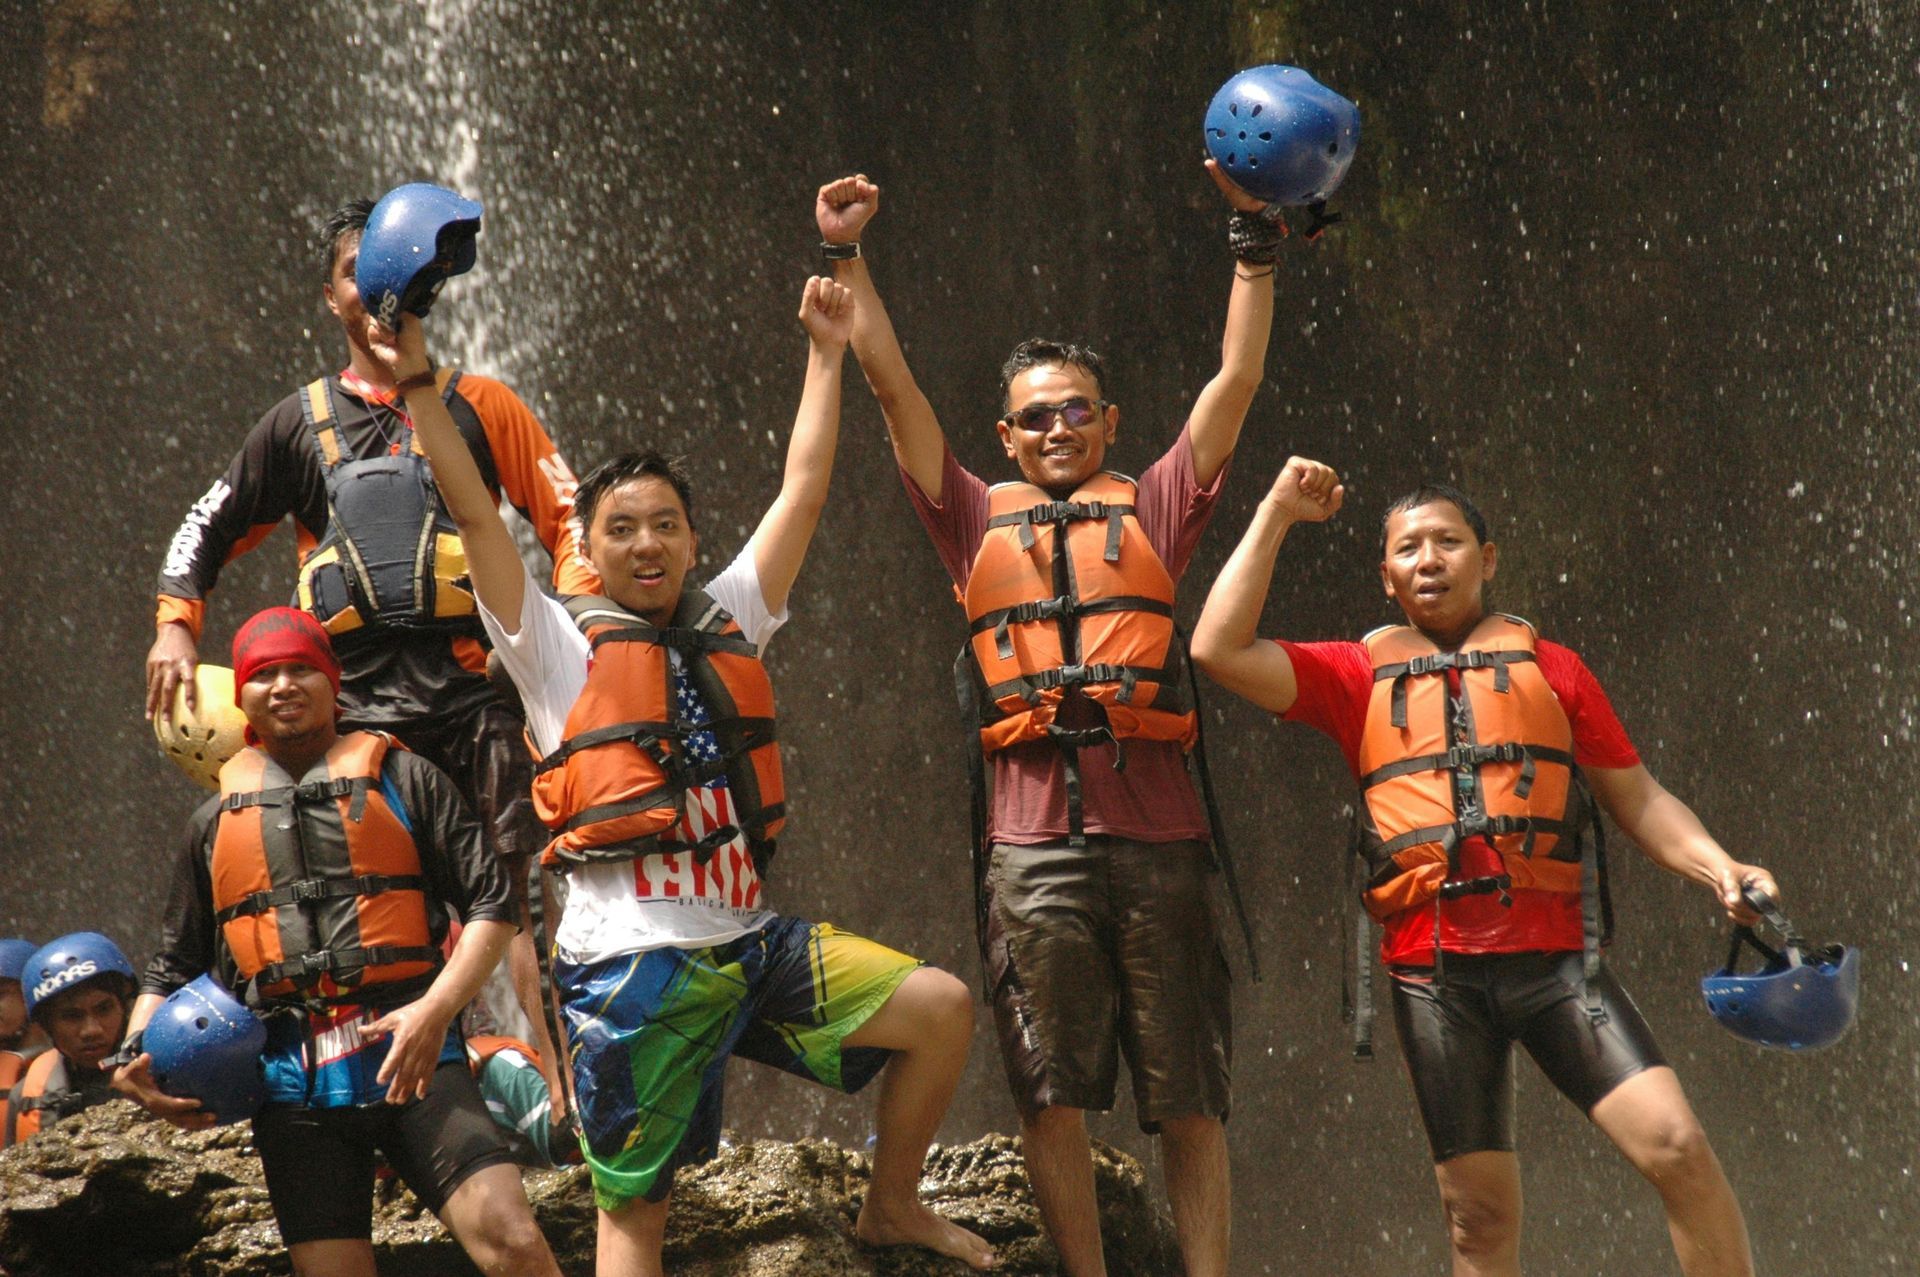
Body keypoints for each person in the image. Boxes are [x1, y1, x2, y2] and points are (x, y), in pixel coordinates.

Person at [373, 276, 997, 1277]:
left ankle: (892, 1204)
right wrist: (414, 378)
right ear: (588, 547)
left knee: (940, 1006)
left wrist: (826, 353)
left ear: (694, 539)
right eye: (621, 527)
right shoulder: (553, 645)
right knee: (638, 1223)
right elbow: (481, 519)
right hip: (633, 971)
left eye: (665, 523)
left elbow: (803, 487)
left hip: (749, 947)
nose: (647, 542)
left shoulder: (728, 618)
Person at [812, 166, 1286, 1276]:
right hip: (1032, 850)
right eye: (1036, 417)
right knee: (1050, 1090)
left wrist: (1253, 245)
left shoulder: (1157, 507)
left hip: (1163, 843)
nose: (1059, 428)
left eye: (1078, 410)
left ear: (1109, 422)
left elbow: (1237, 377)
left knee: (1191, 1095)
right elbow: (890, 389)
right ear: (1008, 437)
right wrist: (848, 254)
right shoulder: (973, 518)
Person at [1190, 459, 1770, 1277]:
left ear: (1488, 559)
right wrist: (1279, 513)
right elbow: (1215, 645)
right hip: (1434, 978)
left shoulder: (1556, 670)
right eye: (1409, 548)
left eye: (1450, 542)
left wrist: (1721, 866)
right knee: (1478, 1221)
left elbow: (1637, 797)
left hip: (1557, 960)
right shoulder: (1354, 677)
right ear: (1386, 578)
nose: (1430, 559)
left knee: (1677, 1146)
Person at [144, 197, 590, 1110]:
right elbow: (209, 521)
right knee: (387, 909)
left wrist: (588, 624)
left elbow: (568, 516)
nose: (375, 289)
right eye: (355, 273)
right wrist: (175, 620)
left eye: (390, 272)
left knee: (524, 891)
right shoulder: (295, 425)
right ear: (331, 296)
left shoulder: (481, 405)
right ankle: (413, 1096)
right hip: (363, 719)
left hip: (477, 692)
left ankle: (572, 1088)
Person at [114, 606, 562, 1277]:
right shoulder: (211, 823)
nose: (284, 685)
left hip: (415, 1064)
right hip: (293, 1091)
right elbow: (173, 962)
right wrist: (132, 1057)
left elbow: (494, 905)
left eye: (301, 668)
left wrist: (436, 1010)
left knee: (514, 1244)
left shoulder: (408, 780)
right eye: (265, 674)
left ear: (335, 680)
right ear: (241, 697)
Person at [0, 932, 136, 1147]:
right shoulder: (26, 1096)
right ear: (46, 1025)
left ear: (124, 1007)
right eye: (71, 1016)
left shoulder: (165, 1074)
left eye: (104, 1009)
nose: (91, 1030)